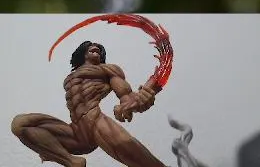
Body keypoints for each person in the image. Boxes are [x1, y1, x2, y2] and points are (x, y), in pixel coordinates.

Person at [11, 40, 167, 167]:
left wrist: (138, 101)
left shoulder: (108, 70)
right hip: (77, 131)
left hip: (96, 120)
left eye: (99, 49)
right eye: (91, 46)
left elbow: (126, 95)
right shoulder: (71, 77)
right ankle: (72, 162)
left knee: (145, 163)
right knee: (20, 124)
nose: (96, 47)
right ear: (82, 52)